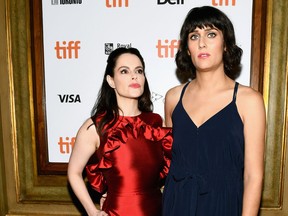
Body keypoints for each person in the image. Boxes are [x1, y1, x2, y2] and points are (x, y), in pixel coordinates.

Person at [162, 6, 266, 216]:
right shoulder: (173, 98)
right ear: (187, 48)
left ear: (225, 44)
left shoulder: (248, 101)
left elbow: (253, 177)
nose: (202, 43)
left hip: (224, 205)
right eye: (194, 36)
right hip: (177, 204)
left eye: (211, 34)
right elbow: (166, 164)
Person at [67, 47, 172, 216]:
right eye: (124, 71)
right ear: (111, 81)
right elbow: (74, 172)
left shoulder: (155, 123)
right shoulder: (96, 127)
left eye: (139, 71)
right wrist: (92, 211)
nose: (134, 76)